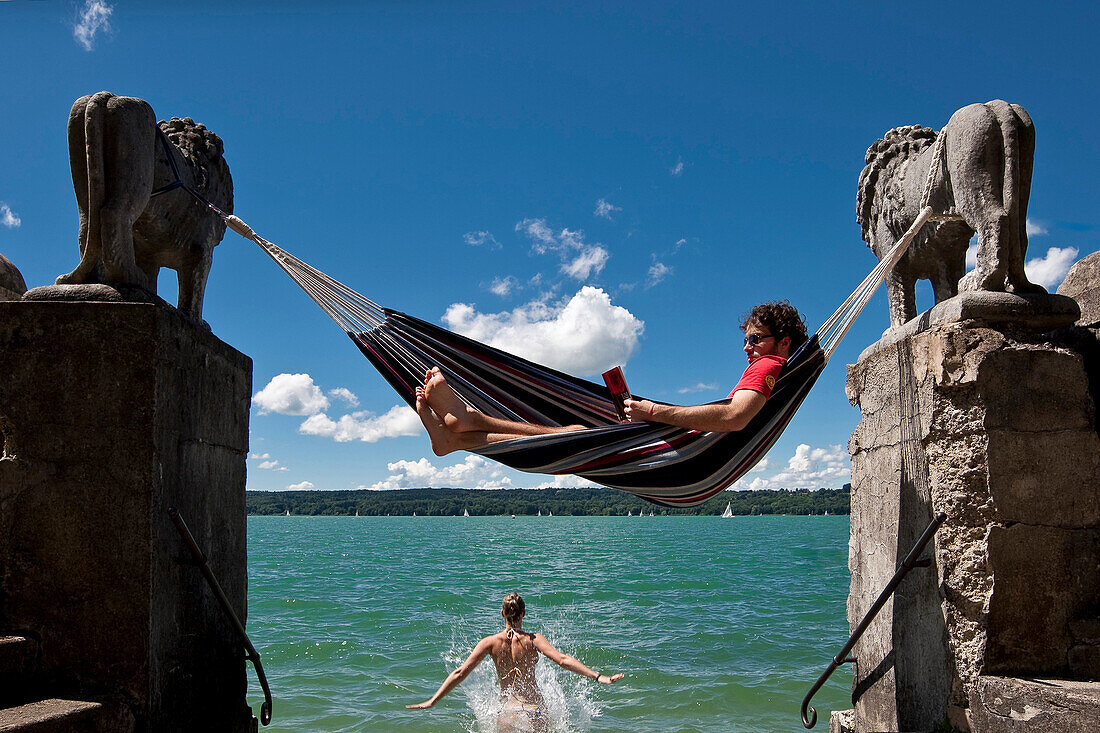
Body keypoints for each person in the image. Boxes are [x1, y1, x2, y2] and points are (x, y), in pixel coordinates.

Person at [414, 300, 806, 454]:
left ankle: (467, 425)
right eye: (746, 340)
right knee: (572, 430)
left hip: (674, 454)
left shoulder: (769, 366)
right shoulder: (773, 371)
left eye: (755, 338)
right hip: (679, 452)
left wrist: (653, 410)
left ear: (783, 342)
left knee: (573, 433)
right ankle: (459, 434)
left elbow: (734, 417)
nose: (747, 347)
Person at [406, 592, 623, 732]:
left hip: (508, 711)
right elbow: (563, 660)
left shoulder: (490, 643)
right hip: (535, 708)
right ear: (523, 614)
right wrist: (598, 676)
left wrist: (432, 701)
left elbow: (460, 673)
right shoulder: (533, 639)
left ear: (502, 613)